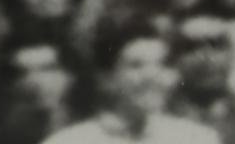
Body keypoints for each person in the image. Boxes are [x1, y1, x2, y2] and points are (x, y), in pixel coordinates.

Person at [42, 24, 221, 144]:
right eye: (136, 65)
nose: (152, 75)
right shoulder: (69, 141)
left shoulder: (199, 138)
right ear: (107, 78)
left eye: (162, 64)